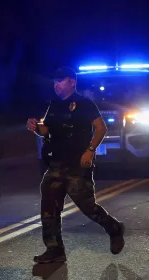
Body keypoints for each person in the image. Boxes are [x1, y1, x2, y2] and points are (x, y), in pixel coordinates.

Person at [26, 66, 125, 264]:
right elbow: (46, 130)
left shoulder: (84, 104)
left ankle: (113, 228)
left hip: (78, 164)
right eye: (55, 81)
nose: (56, 85)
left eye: (60, 81)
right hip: (57, 162)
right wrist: (35, 127)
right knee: (49, 206)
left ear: (72, 81)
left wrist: (90, 150)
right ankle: (54, 249)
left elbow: (100, 128)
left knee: (86, 205)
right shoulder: (54, 105)